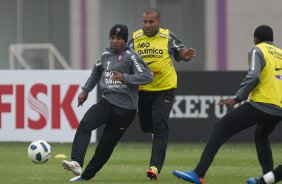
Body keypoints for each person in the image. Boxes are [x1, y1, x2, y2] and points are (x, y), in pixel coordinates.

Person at [172, 24, 282, 184]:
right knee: (261, 134)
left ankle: (198, 173)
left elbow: (253, 76)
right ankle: (268, 178)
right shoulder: (280, 54)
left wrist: (238, 98)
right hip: (279, 108)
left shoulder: (258, 50)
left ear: (255, 39)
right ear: (272, 39)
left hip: (262, 103)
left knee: (220, 127)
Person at [61, 24, 153, 181]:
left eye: (118, 38)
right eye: (112, 38)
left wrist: (125, 77)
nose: (114, 41)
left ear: (125, 40)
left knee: (105, 147)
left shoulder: (131, 56)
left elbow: (148, 76)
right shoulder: (105, 54)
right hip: (107, 102)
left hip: (125, 110)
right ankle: (76, 161)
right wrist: (85, 90)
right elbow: (96, 72)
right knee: (85, 124)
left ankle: (85, 177)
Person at [128, 8, 197, 180]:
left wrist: (185, 55)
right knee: (146, 126)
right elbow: (124, 57)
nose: (147, 25)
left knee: (160, 126)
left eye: (151, 22)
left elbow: (181, 53)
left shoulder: (168, 36)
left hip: (165, 89)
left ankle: (154, 167)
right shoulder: (135, 39)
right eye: (144, 21)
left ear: (159, 22)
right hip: (143, 90)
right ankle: (154, 134)